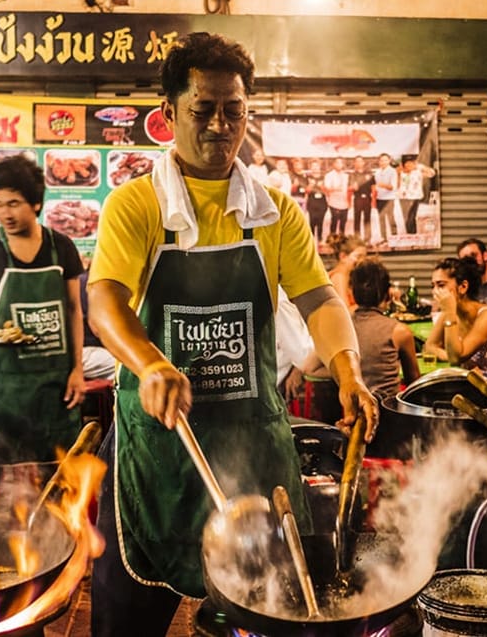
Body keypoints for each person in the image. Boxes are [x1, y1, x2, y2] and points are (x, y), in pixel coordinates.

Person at [86, 32, 378, 636]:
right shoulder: (136, 206)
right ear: (168, 115)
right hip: (161, 446)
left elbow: (319, 298)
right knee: (128, 615)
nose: (220, 126)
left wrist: (348, 370)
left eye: (234, 110)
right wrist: (150, 364)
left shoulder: (275, 210)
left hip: (250, 440)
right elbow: (104, 300)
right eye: (203, 110)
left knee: (265, 611)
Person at [0, 155, 85, 466]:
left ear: (36, 203)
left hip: (55, 384)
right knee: (1, 476)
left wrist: (77, 370)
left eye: (14, 203)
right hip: (4, 385)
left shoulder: (61, 246)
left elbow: (75, 311)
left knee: (57, 473)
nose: (5, 213)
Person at [424, 257, 487, 394]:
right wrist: (450, 355)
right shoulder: (450, 313)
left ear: (463, 287)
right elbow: (429, 347)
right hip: (479, 387)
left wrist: (455, 357)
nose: (435, 292)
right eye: (433, 286)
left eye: (441, 285)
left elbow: (456, 358)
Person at [349, 257, 420, 397]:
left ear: (353, 293)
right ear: (388, 293)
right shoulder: (399, 332)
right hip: (387, 413)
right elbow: (414, 384)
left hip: (349, 410)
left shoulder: (341, 327)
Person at [326, 233, 367, 309]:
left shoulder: (349, 277)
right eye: (359, 256)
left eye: (364, 257)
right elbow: (345, 311)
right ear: (343, 256)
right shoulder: (339, 277)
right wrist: (369, 306)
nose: (362, 260)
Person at [397, 154, 435, 235]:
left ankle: (413, 233)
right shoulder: (401, 172)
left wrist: (421, 166)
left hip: (416, 197)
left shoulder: (418, 172)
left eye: (411, 163)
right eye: (407, 163)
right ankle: (405, 233)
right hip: (404, 198)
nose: (409, 165)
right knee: (404, 217)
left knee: (414, 216)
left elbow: (432, 173)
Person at [373, 153, 398, 246]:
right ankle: (384, 238)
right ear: (379, 161)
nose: (383, 162)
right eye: (381, 160)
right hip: (380, 198)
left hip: (389, 198)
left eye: (385, 160)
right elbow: (375, 187)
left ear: (389, 160)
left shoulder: (392, 171)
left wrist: (382, 185)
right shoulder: (377, 172)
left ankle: (394, 237)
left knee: (391, 219)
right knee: (381, 219)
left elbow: (392, 187)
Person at [350, 156, 375, 242]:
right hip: (357, 198)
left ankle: (368, 238)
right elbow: (351, 186)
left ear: (363, 163)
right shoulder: (353, 175)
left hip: (368, 198)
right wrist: (353, 187)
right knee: (357, 218)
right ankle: (357, 237)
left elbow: (374, 186)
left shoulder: (369, 173)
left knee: (367, 218)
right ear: (354, 163)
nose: (359, 163)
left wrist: (374, 199)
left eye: (360, 161)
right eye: (357, 161)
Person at [324, 156, 350, 236]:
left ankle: (342, 239)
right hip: (334, 202)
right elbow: (326, 189)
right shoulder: (329, 175)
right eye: (337, 162)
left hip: (345, 203)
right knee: (334, 221)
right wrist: (336, 189)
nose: (339, 164)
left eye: (341, 163)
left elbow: (348, 189)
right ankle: (332, 239)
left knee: (343, 222)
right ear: (333, 164)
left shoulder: (346, 175)